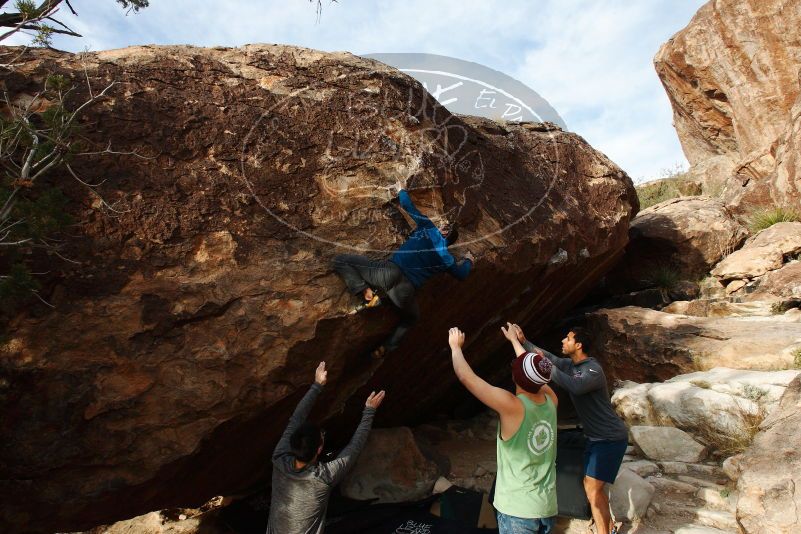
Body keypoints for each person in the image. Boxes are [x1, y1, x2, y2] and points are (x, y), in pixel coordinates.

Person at [511, 323, 627, 534]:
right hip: (594, 438)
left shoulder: (592, 370)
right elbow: (548, 357)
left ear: (579, 345)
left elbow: (573, 385)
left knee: (592, 488)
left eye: (568, 339)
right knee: (590, 486)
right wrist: (523, 341)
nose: (563, 341)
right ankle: (607, 526)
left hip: (610, 439)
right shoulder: (571, 365)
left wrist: (543, 365)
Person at [333, 188, 474, 358]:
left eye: (443, 226)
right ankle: (386, 347)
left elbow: (407, 204)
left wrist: (401, 189)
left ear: (444, 231)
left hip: (388, 272)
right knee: (411, 319)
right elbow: (462, 275)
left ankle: (365, 291)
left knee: (341, 260)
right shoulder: (447, 259)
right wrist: (468, 260)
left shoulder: (429, 229)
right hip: (405, 292)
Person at [448, 325, 558, 534]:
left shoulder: (513, 407)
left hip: (518, 510)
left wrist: (455, 347)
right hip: (546, 506)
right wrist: (515, 342)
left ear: (515, 377)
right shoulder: (551, 401)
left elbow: (467, 378)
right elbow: (534, 374)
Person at [266, 362, 386, 534]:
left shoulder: (278, 458)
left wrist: (316, 385)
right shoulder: (323, 478)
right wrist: (369, 411)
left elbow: (295, 420)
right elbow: (355, 447)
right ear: (319, 450)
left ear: (292, 443)